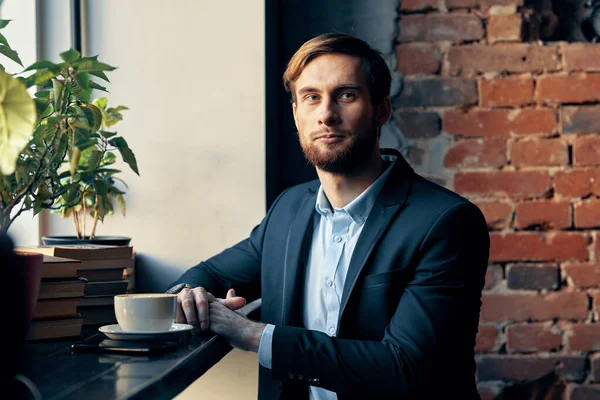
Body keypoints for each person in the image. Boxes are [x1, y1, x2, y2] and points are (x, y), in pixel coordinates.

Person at [168, 32, 490, 400]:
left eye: (346, 95)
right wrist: (187, 297)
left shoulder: (446, 222)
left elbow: (406, 367)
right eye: (311, 98)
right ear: (296, 115)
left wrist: (252, 334)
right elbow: (209, 275)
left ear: (381, 109)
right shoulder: (289, 210)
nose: (326, 115)